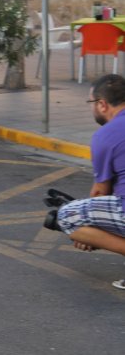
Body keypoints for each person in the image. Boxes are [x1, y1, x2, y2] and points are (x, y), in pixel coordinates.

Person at [52, 74, 125, 290]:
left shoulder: (107, 135)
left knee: (66, 216)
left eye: (91, 102)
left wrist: (90, 232)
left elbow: (101, 193)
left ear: (102, 104)